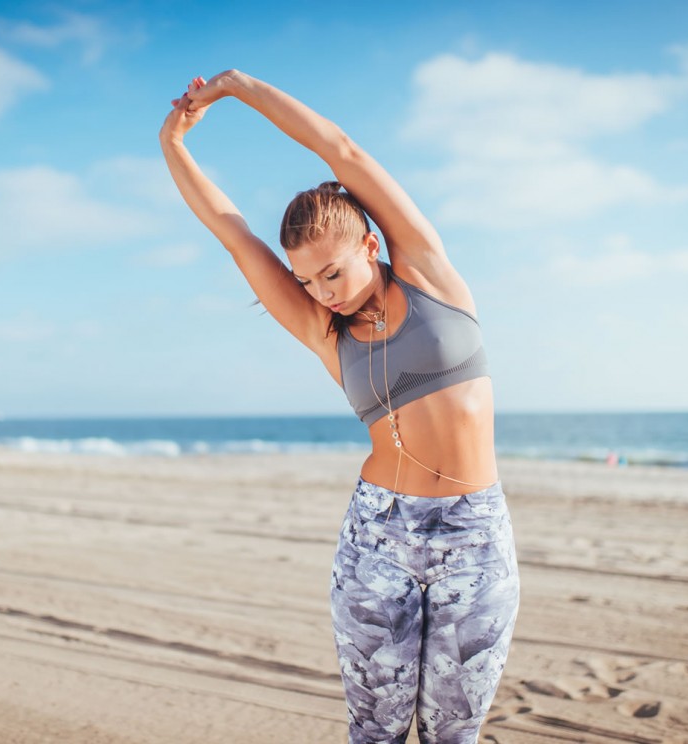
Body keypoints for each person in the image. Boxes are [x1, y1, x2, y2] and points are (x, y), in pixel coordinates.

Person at [160, 70, 519, 744]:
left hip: (474, 534)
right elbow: (232, 233)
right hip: (377, 536)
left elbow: (343, 153)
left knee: (455, 733)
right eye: (304, 280)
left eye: (331, 272)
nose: (320, 292)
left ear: (370, 246)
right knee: (374, 732)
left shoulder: (428, 272)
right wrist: (173, 145)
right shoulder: (327, 333)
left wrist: (238, 87)